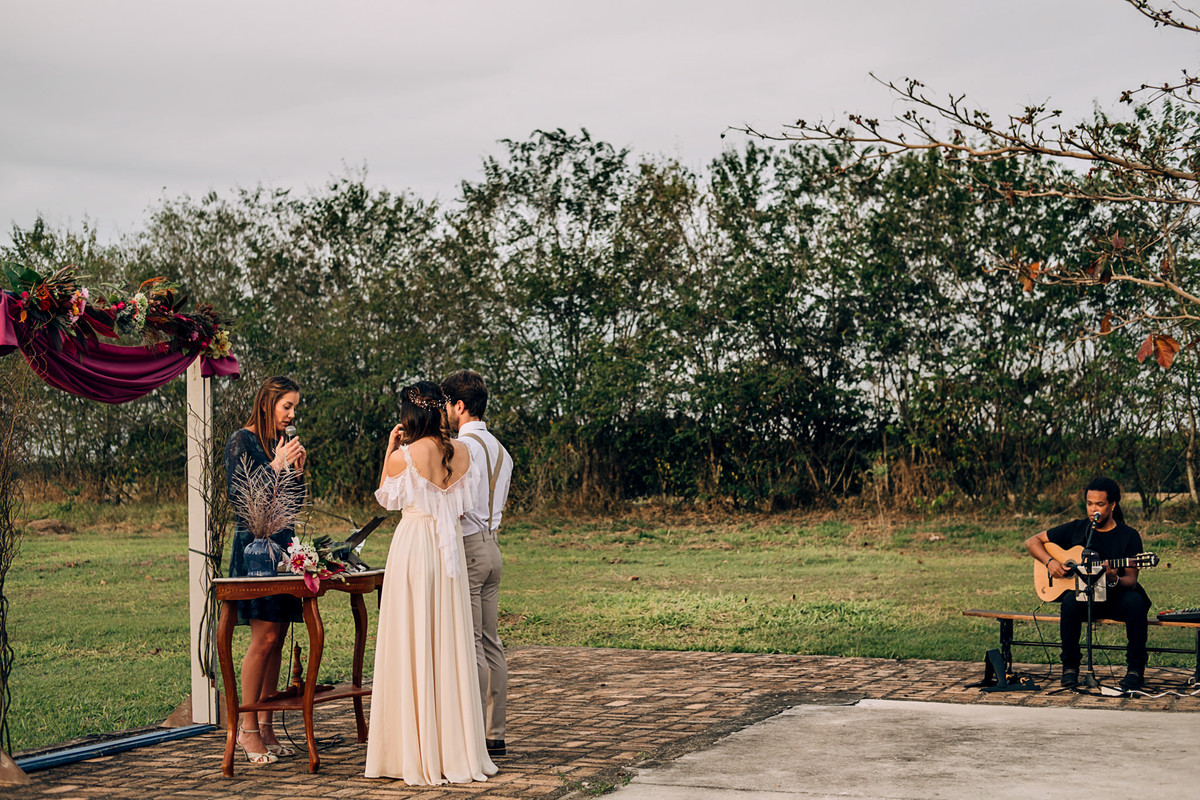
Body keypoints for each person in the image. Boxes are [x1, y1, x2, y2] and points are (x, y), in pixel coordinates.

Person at [365, 381, 497, 785]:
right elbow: (465, 505)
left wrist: (390, 448)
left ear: (409, 415)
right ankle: (454, 748)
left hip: (415, 546)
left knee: (413, 638)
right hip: (449, 552)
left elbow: (385, 498)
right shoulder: (463, 452)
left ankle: (415, 750)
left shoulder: (406, 454)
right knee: (449, 640)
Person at [225, 375, 308, 764]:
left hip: (284, 548)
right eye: (286, 406)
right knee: (263, 638)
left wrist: (295, 473)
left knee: (277, 637)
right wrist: (275, 464)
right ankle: (247, 730)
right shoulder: (241, 441)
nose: (291, 415)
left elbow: (292, 502)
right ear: (267, 403)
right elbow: (239, 496)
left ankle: (268, 723)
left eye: (294, 407)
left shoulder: (280, 444)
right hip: (255, 549)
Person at [442, 369, 512, 758]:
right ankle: (495, 733)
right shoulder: (503, 451)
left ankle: (472, 734)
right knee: (491, 642)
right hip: (493, 547)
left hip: (468, 546)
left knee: (471, 643)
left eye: (447, 405)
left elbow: (456, 504)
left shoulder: (459, 449)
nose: (445, 412)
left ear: (460, 406)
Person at [1025, 477, 1152, 691]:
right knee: (1069, 601)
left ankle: (1135, 670)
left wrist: (1114, 578)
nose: (1093, 509)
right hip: (1085, 596)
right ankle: (1070, 668)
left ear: (1113, 505)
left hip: (1114, 597)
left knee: (1136, 602)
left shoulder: (1129, 536)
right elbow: (1032, 542)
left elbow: (1131, 580)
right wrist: (1050, 562)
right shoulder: (1077, 529)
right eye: (1089, 503)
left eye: (1100, 504)